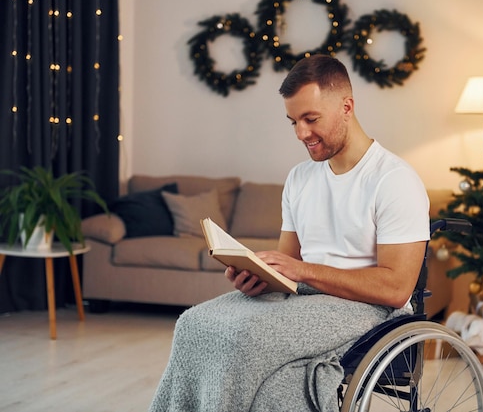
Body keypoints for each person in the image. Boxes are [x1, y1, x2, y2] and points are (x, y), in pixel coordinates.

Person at [149, 54, 430, 412]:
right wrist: (260, 277)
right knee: (193, 323)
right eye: (293, 121)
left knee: (243, 337)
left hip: (370, 310)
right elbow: (289, 264)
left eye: (311, 119)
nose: (301, 133)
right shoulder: (300, 178)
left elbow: (396, 288)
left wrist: (303, 272)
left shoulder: (394, 180)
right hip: (304, 299)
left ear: (347, 106)